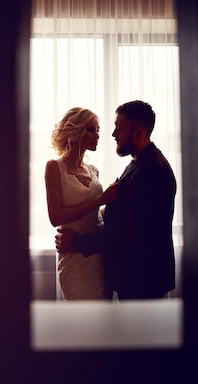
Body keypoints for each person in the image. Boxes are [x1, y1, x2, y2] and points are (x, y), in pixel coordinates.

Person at [56, 100, 176, 300]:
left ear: (138, 133)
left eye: (119, 128)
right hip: (133, 276)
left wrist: (77, 242)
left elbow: (131, 233)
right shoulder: (137, 163)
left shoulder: (153, 170)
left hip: (143, 280)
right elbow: (124, 209)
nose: (113, 134)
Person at [45, 107, 119, 300]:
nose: (97, 136)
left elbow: (94, 213)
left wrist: (111, 206)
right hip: (74, 258)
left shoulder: (93, 170)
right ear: (74, 131)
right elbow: (55, 217)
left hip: (99, 254)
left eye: (98, 130)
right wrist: (100, 200)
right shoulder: (54, 168)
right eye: (90, 129)